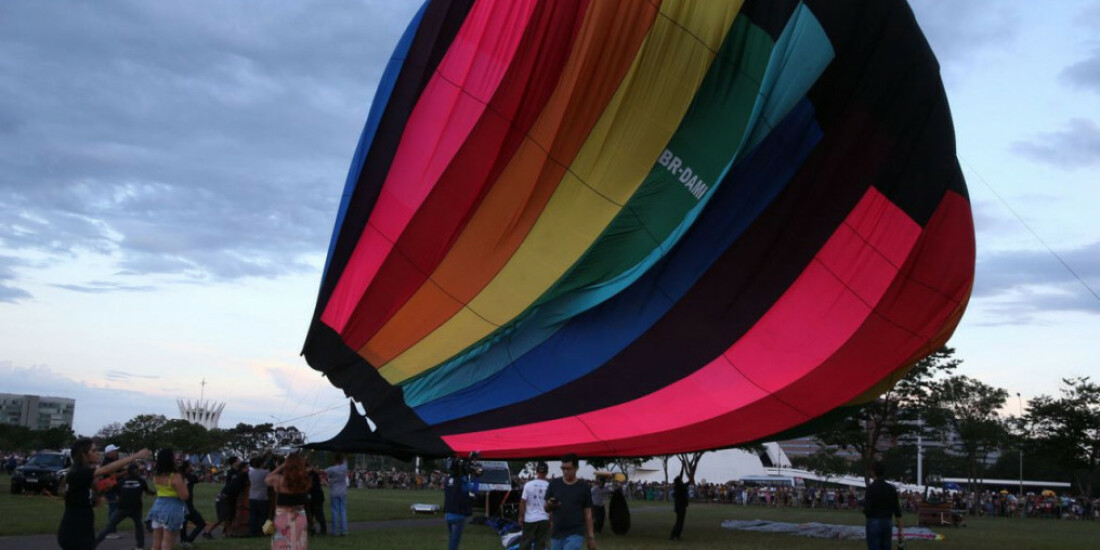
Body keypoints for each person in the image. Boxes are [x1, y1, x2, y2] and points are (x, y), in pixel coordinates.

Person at [57, 439, 150, 550]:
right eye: (93, 450)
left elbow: (87, 494)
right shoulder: (78, 472)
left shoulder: (82, 473)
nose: (97, 453)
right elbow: (107, 469)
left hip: (83, 528)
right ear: (83, 454)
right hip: (74, 531)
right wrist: (135, 456)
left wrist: (98, 495)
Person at [95, 462, 156, 548]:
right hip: (136, 508)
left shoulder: (121, 482)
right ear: (137, 471)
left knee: (109, 527)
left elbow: (117, 495)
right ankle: (140, 546)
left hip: (122, 508)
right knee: (139, 527)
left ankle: (94, 543)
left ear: (128, 472)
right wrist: (155, 493)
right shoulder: (141, 481)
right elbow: (148, 492)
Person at [545, 454, 596, 550]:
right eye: (563, 468)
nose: (565, 471)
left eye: (568, 468)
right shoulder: (554, 484)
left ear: (576, 468)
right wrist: (550, 504)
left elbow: (588, 513)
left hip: (575, 533)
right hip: (557, 534)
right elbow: (546, 508)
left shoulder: (583, 486)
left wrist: (591, 537)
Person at [266, 453, 313, 550]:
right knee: (298, 544)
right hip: (300, 517)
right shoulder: (304, 480)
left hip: (282, 517)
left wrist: (282, 466)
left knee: (281, 544)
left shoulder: (279, 480)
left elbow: (267, 479)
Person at [147, 448, 190, 550]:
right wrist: (184, 483)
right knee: (168, 541)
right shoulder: (175, 476)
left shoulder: (156, 475)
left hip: (158, 506)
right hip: (172, 508)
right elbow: (184, 496)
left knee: (156, 542)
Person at [863, 462, 904, 550]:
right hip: (887, 522)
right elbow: (897, 511)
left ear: (873, 472)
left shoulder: (870, 488)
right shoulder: (891, 489)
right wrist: (900, 530)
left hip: (874, 521)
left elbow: (867, 509)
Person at [443, 457, 480, 550]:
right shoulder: (462, 481)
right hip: (458, 514)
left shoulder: (448, 480)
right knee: (455, 541)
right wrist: (477, 478)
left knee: (451, 538)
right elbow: (475, 490)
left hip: (448, 513)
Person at [518, 462, 550, 550]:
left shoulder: (528, 485)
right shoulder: (549, 486)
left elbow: (522, 502)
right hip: (544, 518)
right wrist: (551, 520)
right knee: (540, 545)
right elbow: (550, 505)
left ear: (536, 472)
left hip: (529, 519)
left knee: (525, 544)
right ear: (547, 472)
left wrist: (521, 516)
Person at [178, 461, 207, 547]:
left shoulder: (178, 476)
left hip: (179, 504)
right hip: (188, 505)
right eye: (190, 465)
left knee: (184, 524)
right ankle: (188, 540)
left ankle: (184, 541)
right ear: (187, 467)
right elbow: (200, 478)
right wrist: (204, 473)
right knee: (201, 523)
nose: (192, 467)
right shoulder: (190, 477)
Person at [99, 444, 122, 539]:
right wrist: (126, 472)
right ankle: (111, 531)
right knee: (113, 510)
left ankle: (112, 530)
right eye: (114, 451)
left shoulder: (112, 461)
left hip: (113, 488)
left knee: (114, 509)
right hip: (111, 489)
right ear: (109, 453)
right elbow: (113, 476)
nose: (116, 452)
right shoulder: (107, 463)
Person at [324, 454, 349, 536]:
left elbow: (323, 472)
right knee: (343, 511)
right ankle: (344, 531)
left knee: (335, 511)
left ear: (335, 460)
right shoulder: (345, 467)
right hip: (343, 492)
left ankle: (335, 531)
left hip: (334, 491)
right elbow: (345, 458)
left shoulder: (332, 469)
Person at [249, 455, 272, 536]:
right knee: (263, 516)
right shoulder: (265, 472)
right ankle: (263, 531)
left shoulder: (250, 473)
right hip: (262, 497)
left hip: (252, 496)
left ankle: (253, 531)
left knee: (253, 515)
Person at [307, 462, 327, 536]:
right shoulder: (311, 474)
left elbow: (310, 485)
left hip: (316, 497)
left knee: (318, 514)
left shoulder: (312, 475)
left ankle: (322, 530)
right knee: (312, 514)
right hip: (314, 497)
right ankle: (312, 529)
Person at [670, 475, 688, 540]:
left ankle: (676, 535)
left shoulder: (678, 487)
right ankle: (675, 535)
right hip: (681, 507)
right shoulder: (680, 487)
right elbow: (686, 484)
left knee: (679, 522)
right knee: (679, 522)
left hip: (679, 507)